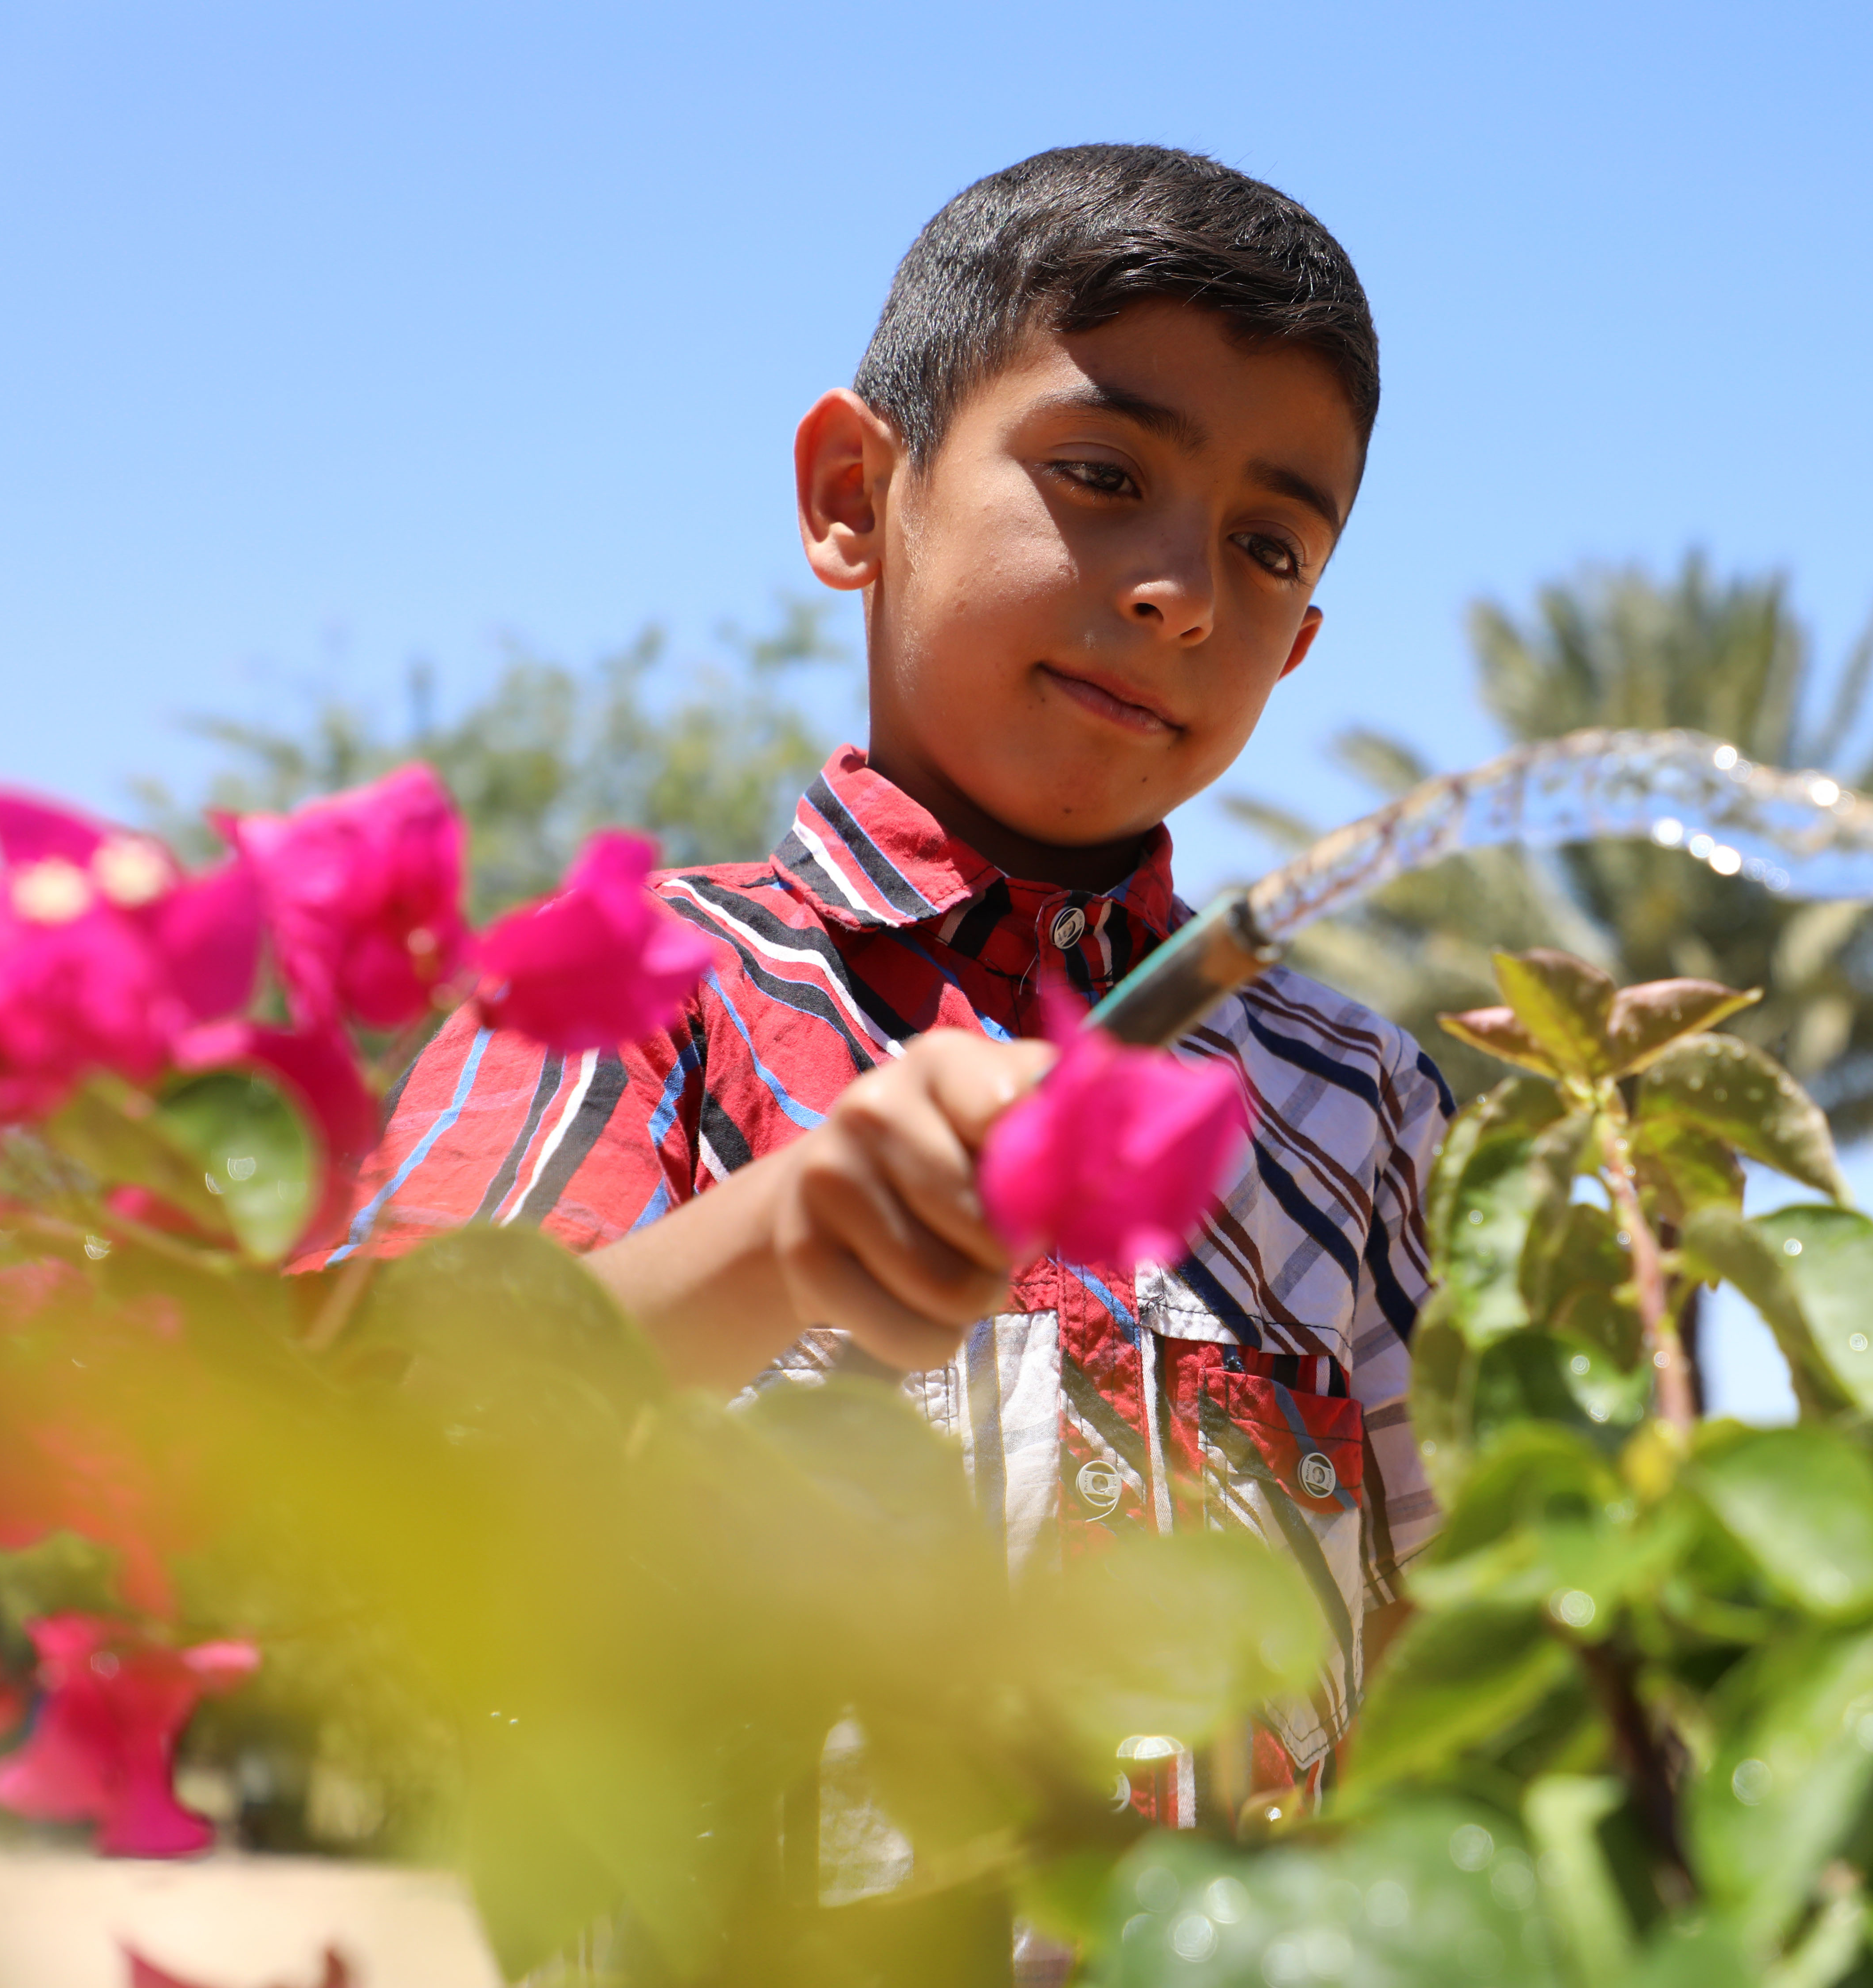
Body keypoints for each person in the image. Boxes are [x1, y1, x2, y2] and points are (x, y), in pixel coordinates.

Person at [330, 144, 1450, 1829]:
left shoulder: (1351, 1099)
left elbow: (1473, 1616)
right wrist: (792, 1237)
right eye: (1097, 472)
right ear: (857, 497)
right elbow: (390, 1445)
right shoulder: (644, 991)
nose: (1182, 590)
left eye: (1271, 548)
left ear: (1298, 648)